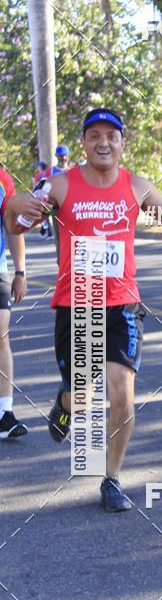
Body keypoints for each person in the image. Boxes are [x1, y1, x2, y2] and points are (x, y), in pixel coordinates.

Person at [5, 107, 162, 510]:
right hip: (76, 304)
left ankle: (111, 479)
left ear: (122, 144)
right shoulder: (58, 184)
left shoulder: (137, 185)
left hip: (122, 304)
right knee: (85, 396)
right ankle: (65, 403)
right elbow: (18, 221)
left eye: (112, 135)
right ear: (85, 144)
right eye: (95, 136)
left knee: (123, 396)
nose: (103, 142)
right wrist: (19, 207)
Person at [0, 167, 28, 439]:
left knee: (1, 336)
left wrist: (20, 272)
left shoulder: (3, 177)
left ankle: (4, 413)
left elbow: (13, 226)